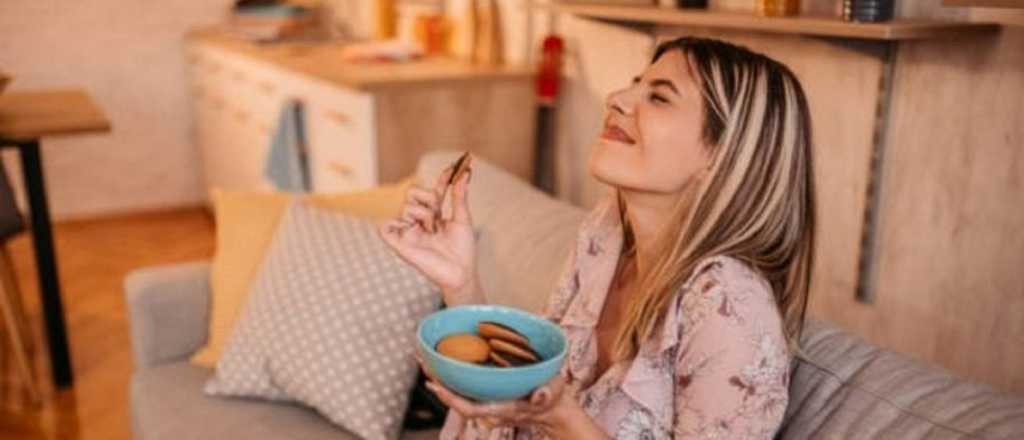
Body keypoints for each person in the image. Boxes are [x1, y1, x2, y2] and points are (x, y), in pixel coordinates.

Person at [379, 36, 816, 439]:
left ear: (722, 157)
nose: (616, 99)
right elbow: (521, 400)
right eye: (635, 85)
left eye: (659, 97)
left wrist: (566, 422)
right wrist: (460, 282)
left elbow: (547, 413)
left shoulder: (730, 307)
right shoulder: (605, 236)